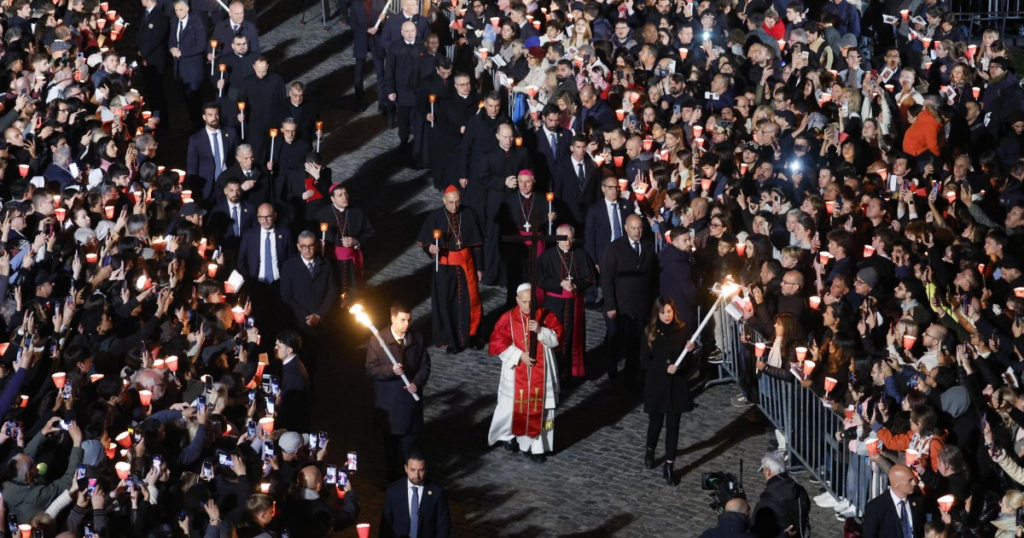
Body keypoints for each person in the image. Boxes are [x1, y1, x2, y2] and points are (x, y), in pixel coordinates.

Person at [487, 283, 563, 463]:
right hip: (516, 373)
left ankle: (536, 447)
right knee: (512, 408)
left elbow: (558, 339)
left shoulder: (545, 315)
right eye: (524, 301)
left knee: (541, 411)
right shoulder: (507, 318)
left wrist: (540, 330)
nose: (528, 305)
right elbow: (497, 343)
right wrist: (520, 355)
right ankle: (509, 436)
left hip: (542, 374)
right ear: (517, 300)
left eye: (531, 301)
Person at [366, 302, 431, 481]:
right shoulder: (377, 341)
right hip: (390, 404)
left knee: (411, 445)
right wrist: (390, 370)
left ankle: (411, 478)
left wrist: (416, 383)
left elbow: (425, 365)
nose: (406, 324)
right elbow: (371, 369)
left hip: (410, 405)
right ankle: (394, 480)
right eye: (402, 320)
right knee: (391, 449)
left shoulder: (416, 339)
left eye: (409, 320)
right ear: (393, 318)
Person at [416, 186, 485, 354]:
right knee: (448, 303)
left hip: (466, 265)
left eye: (457, 202)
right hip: (445, 267)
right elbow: (425, 242)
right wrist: (430, 248)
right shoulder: (435, 217)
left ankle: (472, 335)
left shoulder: (468, 214)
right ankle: (451, 340)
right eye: (451, 203)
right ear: (443, 201)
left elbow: (476, 245)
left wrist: (480, 268)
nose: (454, 207)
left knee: (470, 301)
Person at [641, 297, 696, 485]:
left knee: (673, 427)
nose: (667, 316)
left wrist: (689, 352)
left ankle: (669, 466)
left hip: (676, 387)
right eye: (663, 312)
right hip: (657, 385)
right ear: (658, 313)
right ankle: (650, 450)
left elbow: (688, 364)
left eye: (670, 312)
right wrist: (664, 368)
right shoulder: (651, 332)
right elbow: (644, 361)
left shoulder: (682, 331)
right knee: (655, 424)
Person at [601, 214, 658, 382]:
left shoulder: (648, 246)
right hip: (620, 303)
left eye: (640, 228)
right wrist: (610, 305)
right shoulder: (615, 248)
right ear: (626, 228)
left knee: (636, 341)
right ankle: (612, 373)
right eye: (633, 228)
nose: (637, 231)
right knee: (616, 340)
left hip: (641, 304)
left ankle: (630, 375)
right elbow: (606, 278)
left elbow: (653, 276)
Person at [538, 224, 596, 385]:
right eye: (564, 238)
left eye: (571, 238)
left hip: (574, 304)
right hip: (554, 304)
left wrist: (576, 285)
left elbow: (589, 278)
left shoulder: (580, 254)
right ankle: (552, 375)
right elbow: (540, 279)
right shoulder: (547, 256)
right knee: (553, 337)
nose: (568, 242)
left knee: (571, 338)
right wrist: (559, 284)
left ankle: (568, 375)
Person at [279, 231, 338, 379]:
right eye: (304, 246)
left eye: (311, 246)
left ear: (316, 245)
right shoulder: (289, 266)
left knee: (320, 364)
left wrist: (319, 315)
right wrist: (306, 317)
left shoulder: (327, 264)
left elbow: (332, 291)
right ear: (298, 247)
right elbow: (287, 296)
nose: (307, 250)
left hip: (321, 324)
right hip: (298, 325)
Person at [315, 184, 374, 305]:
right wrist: (318, 243)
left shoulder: (357, 212)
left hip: (351, 262)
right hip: (331, 260)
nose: (345, 197)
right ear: (332, 199)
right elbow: (312, 234)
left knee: (353, 291)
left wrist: (355, 241)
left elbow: (370, 232)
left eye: (346, 194)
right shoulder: (323, 214)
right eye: (340, 195)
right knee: (333, 290)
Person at [380, 453, 451, 538]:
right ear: (406, 468)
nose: (416, 475)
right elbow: (385, 524)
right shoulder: (394, 490)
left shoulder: (436, 492)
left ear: (426, 469)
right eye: (412, 470)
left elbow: (443, 526)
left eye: (421, 470)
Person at [384, 21, 426, 154]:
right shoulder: (395, 47)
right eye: (406, 31)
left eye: (412, 30)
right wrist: (390, 90)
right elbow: (389, 69)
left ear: (416, 31)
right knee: (403, 119)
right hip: (402, 90)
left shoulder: (422, 45)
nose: (409, 34)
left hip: (418, 90)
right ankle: (403, 142)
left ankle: (417, 144)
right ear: (402, 33)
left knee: (418, 119)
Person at [187, 103, 240, 203]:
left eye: (216, 114)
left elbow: (237, 158)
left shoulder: (230, 134)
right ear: (204, 117)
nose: (214, 118)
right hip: (206, 187)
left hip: (227, 184)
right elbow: (192, 167)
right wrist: (195, 191)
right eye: (210, 115)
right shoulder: (196, 139)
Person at [168, 0, 207, 130]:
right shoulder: (174, 21)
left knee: (194, 97)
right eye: (176, 10)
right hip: (181, 67)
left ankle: (199, 123)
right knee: (187, 97)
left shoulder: (196, 22)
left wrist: (182, 52)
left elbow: (201, 45)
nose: (178, 13)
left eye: (180, 10)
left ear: (187, 9)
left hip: (193, 67)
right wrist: (172, 48)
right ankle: (194, 122)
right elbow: (172, 39)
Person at [751, 453, 810, 537]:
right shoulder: (800, 490)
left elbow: (756, 530)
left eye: (763, 470)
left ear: (768, 472)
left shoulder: (766, 502)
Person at [862, 464, 926, 538]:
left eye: (913, 479)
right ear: (896, 484)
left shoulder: (917, 499)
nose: (914, 483)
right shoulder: (875, 508)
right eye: (909, 480)